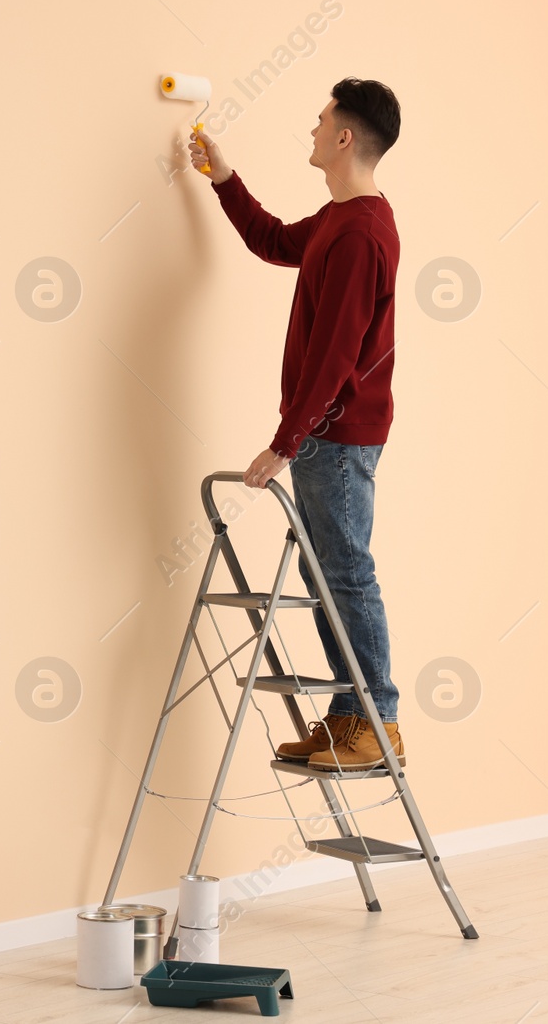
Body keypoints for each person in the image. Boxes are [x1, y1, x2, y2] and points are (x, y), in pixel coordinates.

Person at [188, 78, 404, 772]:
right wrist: (224, 178)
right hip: (326, 437)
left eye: (320, 122)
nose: (311, 131)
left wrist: (285, 442)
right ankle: (350, 718)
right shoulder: (339, 220)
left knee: (347, 575)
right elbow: (274, 241)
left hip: (336, 440)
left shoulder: (363, 231)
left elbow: (336, 355)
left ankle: (381, 722)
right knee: (329, 575)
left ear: (345, 137)